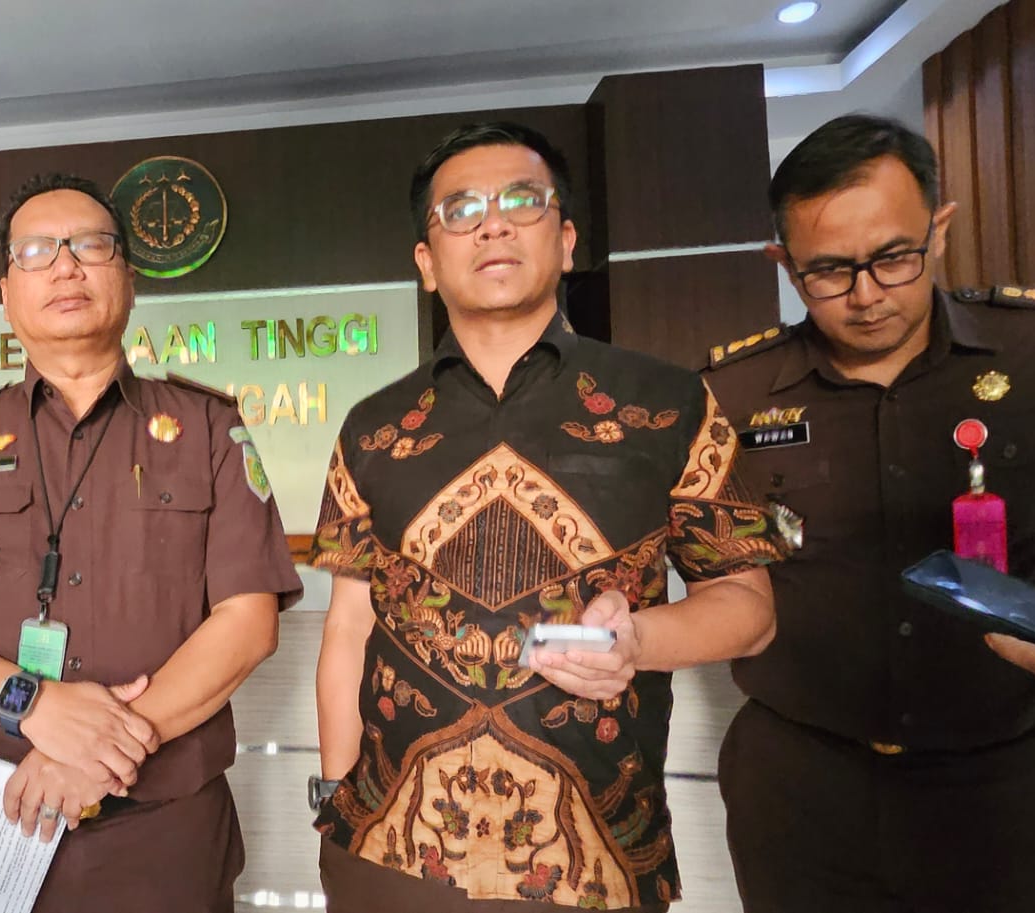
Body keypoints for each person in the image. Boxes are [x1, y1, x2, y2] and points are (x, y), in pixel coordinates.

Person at [309, 121, 787, 913]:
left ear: (565, 242)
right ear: (427, 262)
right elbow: (349, 626)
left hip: (592, 859)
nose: (493, 224)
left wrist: (640, 640)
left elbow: (750, 607)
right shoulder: (373, 426)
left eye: (521, 200)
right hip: (387, 854)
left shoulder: (667, 403)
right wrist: (332, 802)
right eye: (461, 209)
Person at [0, 173, 302, 912]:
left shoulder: (208, 428)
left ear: (128, 278)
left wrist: (98, 755)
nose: (65, 266)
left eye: (90, 245)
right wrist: (34, 707)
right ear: (6, 294)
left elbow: (248, 624)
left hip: (162, 827)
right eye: (37, 251)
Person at [703, 113, 1035, 913]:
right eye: (828, 271)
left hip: (1002, 778)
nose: (867, 294)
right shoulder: (732, 395)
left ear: (939, 230)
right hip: (802, 785)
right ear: (784, 264)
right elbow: (729, 582)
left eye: (893, 257)